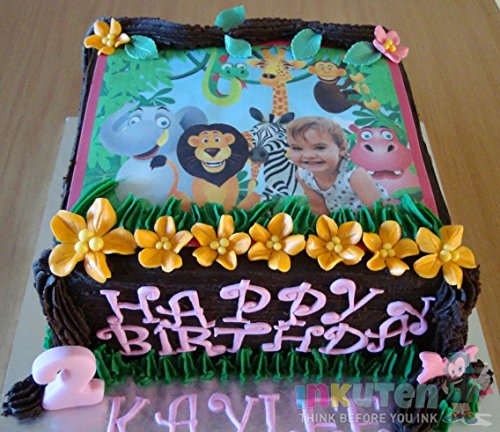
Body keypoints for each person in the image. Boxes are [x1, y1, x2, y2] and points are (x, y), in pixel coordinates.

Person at [287, 116, 389, 214]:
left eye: (320, 147)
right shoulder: (303, 175)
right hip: (340, 220)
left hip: (367, 219)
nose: (308, 155)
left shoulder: (354, 175)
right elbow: (318, 206)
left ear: (342, 149)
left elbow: (378, 210)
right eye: (297, 148)